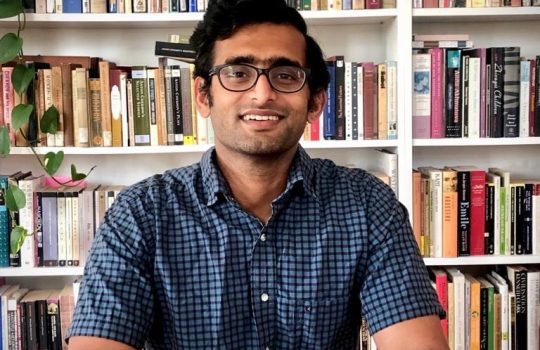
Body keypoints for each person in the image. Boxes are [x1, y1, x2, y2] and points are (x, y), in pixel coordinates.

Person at [68, 0, 448, 349]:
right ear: (203, 95)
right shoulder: (141, 214)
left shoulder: (367, 205)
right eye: (238, 73)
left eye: (285, 75)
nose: (262, 93)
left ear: (315, 101)